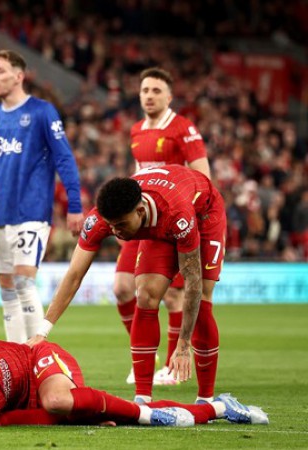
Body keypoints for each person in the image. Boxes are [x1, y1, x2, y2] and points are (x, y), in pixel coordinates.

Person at [0, 241, 268, 428]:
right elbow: (30, 420)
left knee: (61, 402)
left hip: (40, 359)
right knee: (65, 408)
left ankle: (145, 413)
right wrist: (85, 418)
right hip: (40, 399)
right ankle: (219, 408)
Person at [34, 165, 225, 404]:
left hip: (203, 213)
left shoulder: (178, 214)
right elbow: (74, 274)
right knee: (145, 295)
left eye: (121, 225)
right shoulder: (102, 218)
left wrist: (184, 344)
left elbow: (193, 282)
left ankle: (205, 399)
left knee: (203, 300)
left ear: (140, 211)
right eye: (111, 225)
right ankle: (142, 399)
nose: (115, 232)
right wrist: (43, 331)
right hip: (160, 220)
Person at [0, 50, 83, 344]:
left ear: (19, 76)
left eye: (0, 71)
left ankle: (35, 358)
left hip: (32, 212)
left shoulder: (42, 112)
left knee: (23, 281)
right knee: (6, 288)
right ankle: (16, 357)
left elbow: (64, 159)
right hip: (0, 215)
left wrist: (75, 205)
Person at [117, 67, 211, 387]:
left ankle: (172, 368)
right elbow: (138, 173)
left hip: (172, 218)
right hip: (139, 220)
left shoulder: (183, 129)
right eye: (145, 90)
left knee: (172, 296)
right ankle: (144, 355)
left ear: (169, 97)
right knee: (121, 288)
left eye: (156, 91)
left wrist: (193, 222)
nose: (149, 96)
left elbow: (202, 177)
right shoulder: (136, 130)